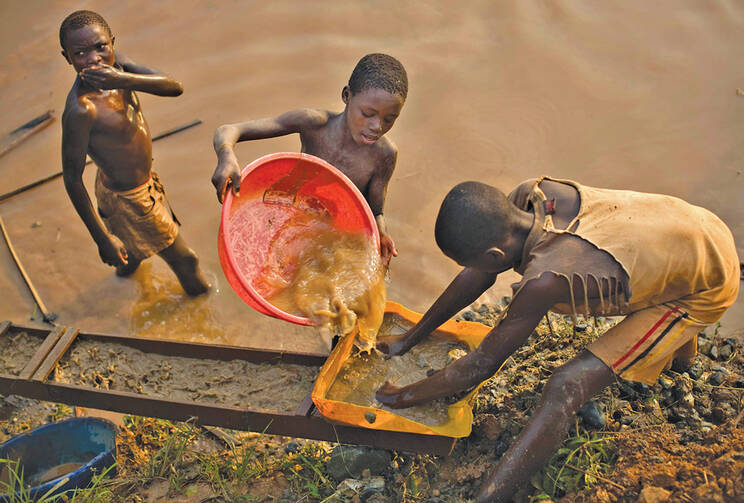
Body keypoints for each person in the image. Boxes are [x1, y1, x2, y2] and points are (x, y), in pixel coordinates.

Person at [375, 177, 740, 501]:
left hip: (706, 286)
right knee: (666, 272)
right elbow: (479, 274)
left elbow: (483, 363)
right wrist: (410, 337)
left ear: (495, 255)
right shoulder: (532, 194)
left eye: (474, 262)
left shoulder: (547, 279)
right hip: (695, 226)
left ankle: (494, 493)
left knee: (565, 385)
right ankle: (684, 362)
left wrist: (401, 397)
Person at [60, 10, 209, 296]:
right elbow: (72, 178)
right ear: (67, 57)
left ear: (112, 42)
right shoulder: (82, 109)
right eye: (80, 53)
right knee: (187, 261)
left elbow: (173, 87)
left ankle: (121, 283)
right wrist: (102, 239)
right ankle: (209, 316)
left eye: (101, 47)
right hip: (130, 198)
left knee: (133, 252)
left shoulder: (120, 67)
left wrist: (122, 80)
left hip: (136, 183)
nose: (94, 59)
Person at [211, 53, 408, 266]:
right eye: (368, 113)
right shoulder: (314, 125)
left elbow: (375, 209)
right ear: (346, 95)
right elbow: (228, 130)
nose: (377, 126)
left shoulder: (384, 154)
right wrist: (226, 155)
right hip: (285, 204)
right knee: (263, 261)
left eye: (389, 119)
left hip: (329, 226)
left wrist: (382, 233)